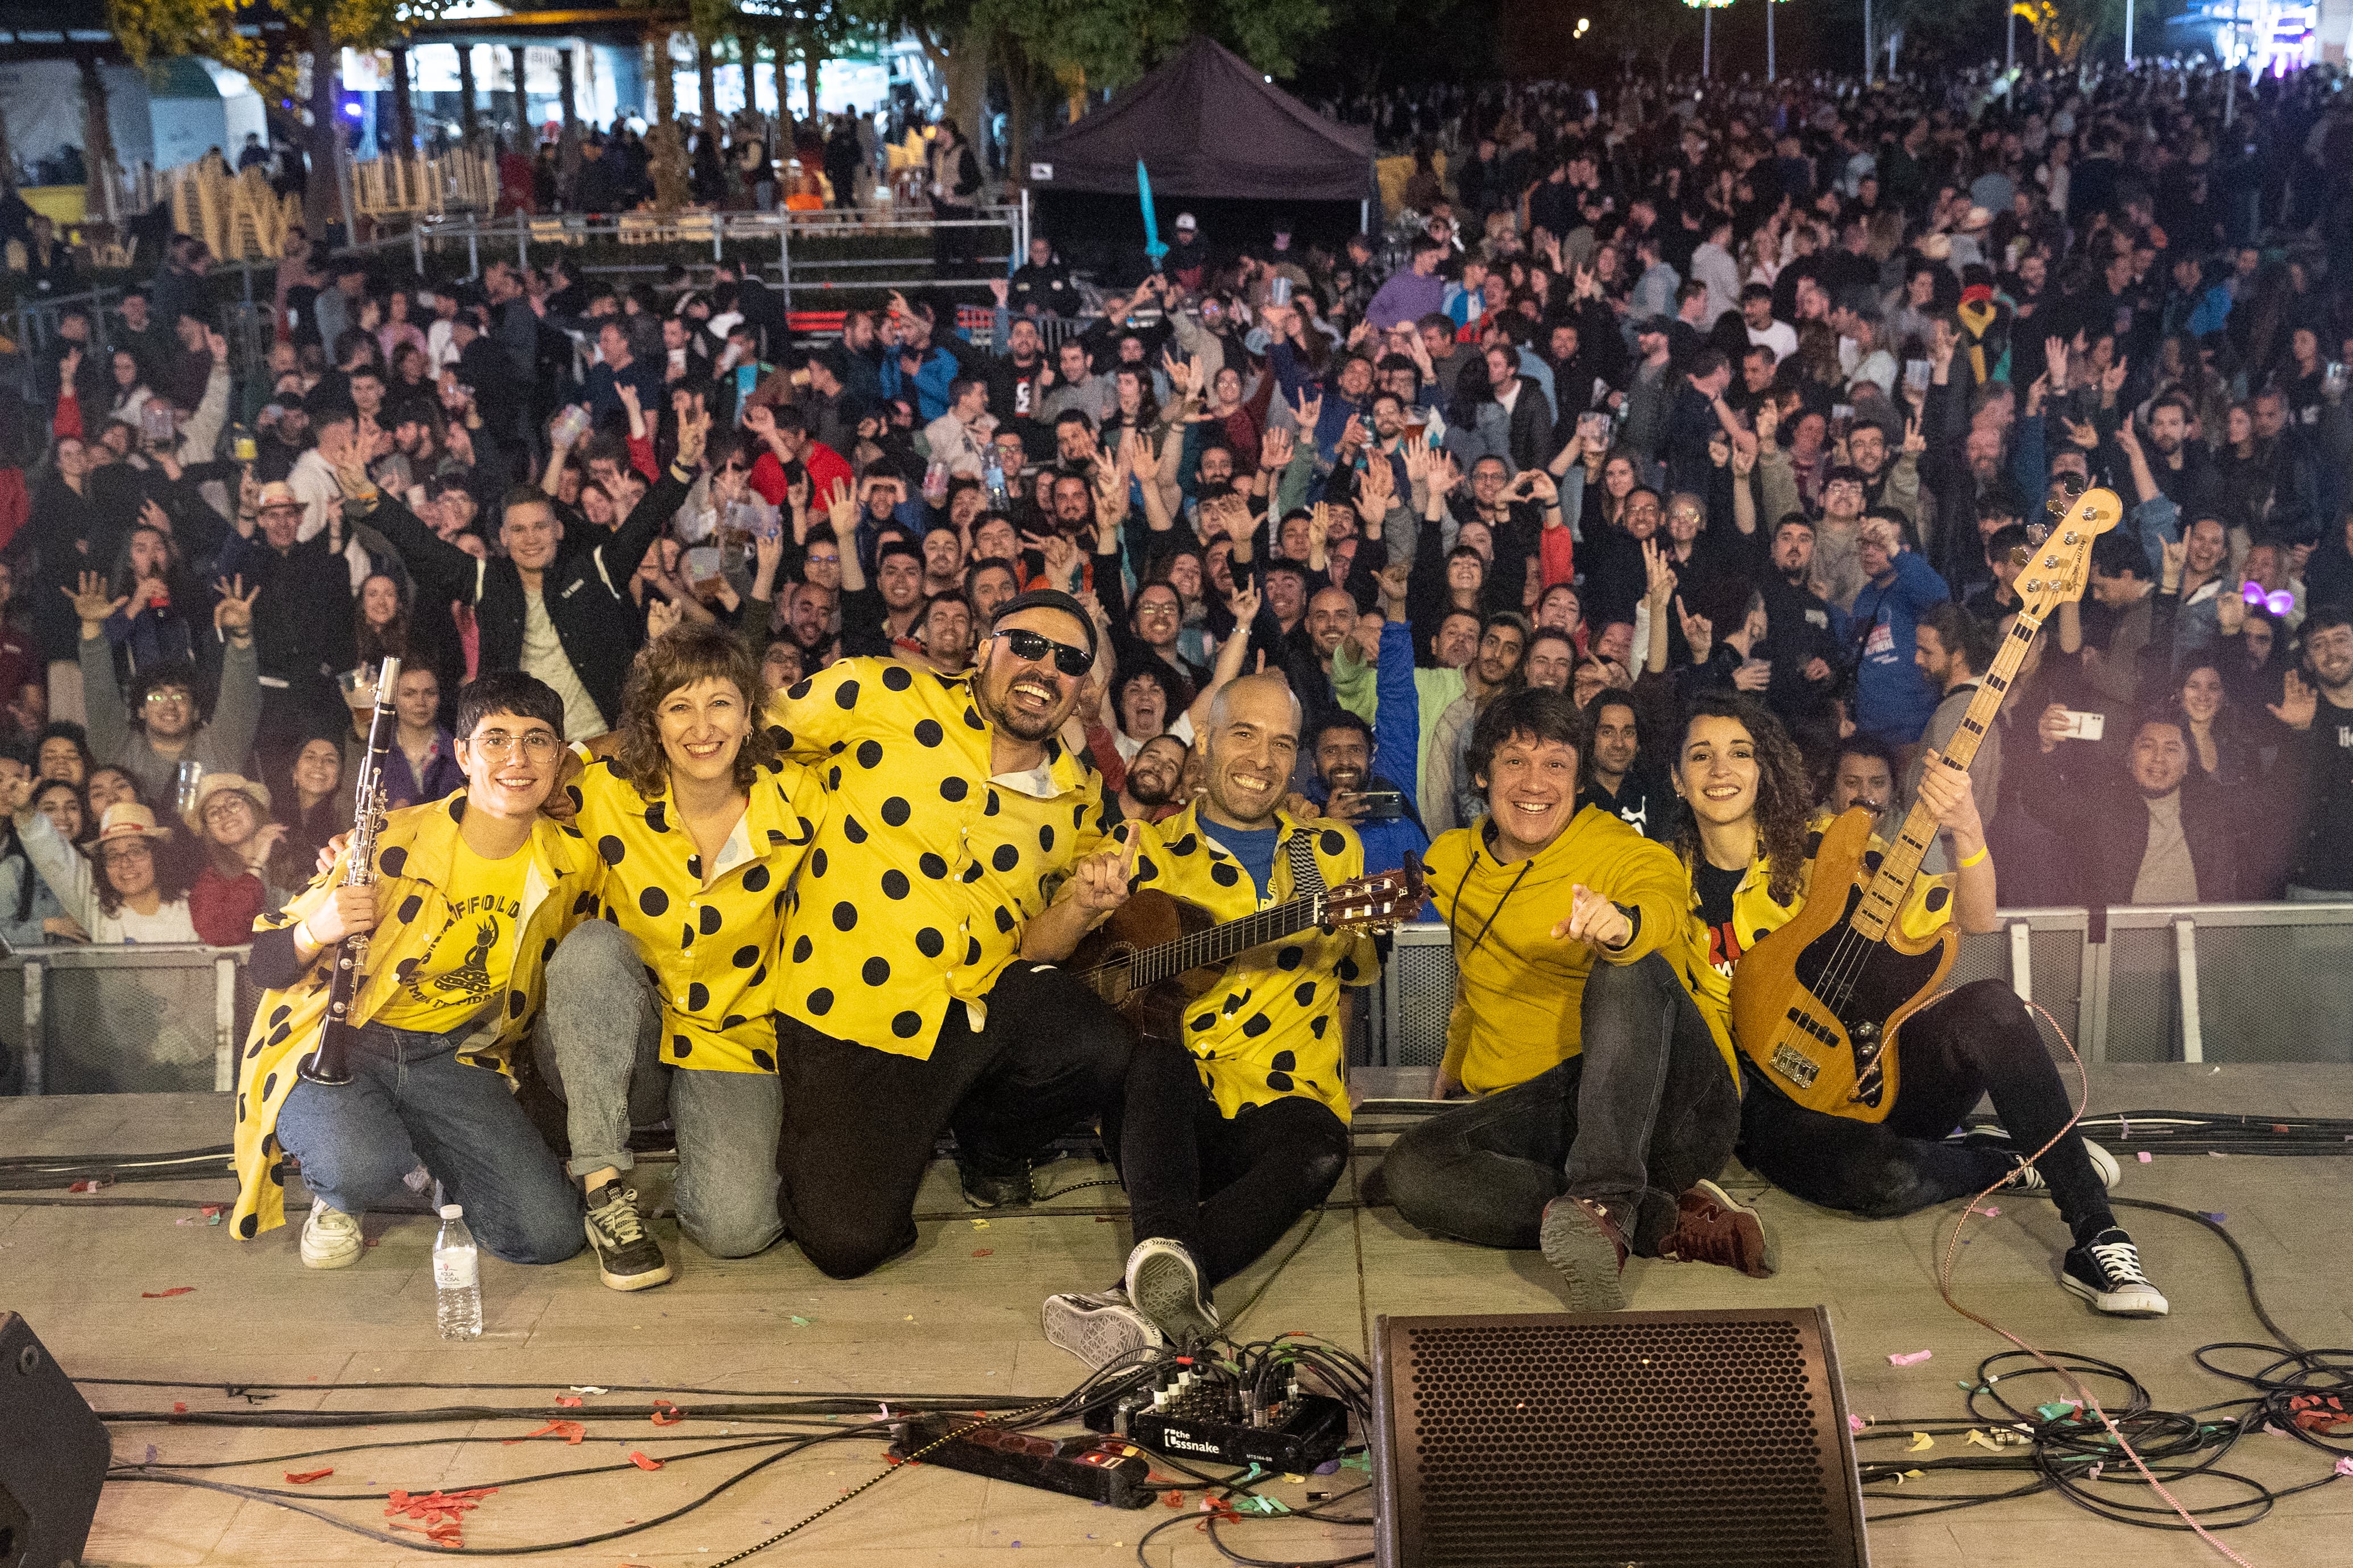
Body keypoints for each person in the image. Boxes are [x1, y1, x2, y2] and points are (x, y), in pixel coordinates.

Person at [1667, 693, 2165, 1317]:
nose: (1720, 769)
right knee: (1881, 1180)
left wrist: (1966, 826)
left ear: (1763, 767)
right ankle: (2008, 1162)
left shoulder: (1830, 845)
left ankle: (2095, 1232)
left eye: (1739, 753)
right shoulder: (1661, 876)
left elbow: (1976, 917)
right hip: (1772, 1101)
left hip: (1875, 1068)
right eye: (1701, 755)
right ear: (1677, 778)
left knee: (1991, 1005)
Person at [764, 590, 1135, 1278]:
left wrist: (1083, 906)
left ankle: (989, 1148)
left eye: (1069, 659)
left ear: (1085, 686)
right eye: (1025, 643)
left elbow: (1038, 952)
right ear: (982, 648)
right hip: (842, 1008)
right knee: (847, 1244)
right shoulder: (879, 690)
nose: (1044, 666)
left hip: (967, 1016)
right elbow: (738, 737)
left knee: (1097, 1043)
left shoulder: (1077, 793)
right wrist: (584, 762)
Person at [1378, 687, 1771, 1312]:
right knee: (1410, 1170)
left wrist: (1620, 926)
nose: (1536, 781)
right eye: (1515, 761)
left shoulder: (1624, 851)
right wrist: (1452, 1060)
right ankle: (1656, 1220)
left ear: (1579, 778)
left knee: (1624, 966)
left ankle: (1607, 1201)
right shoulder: (1449, 860)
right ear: (1482, 774)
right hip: (1542, 1110)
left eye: (1556, 763)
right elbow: (1470, 966)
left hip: (1668, 1105)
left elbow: (1664, 908)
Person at [1041, 673, 1377, 1363]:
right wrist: (1083, 908)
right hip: (1171, 1121)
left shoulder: (1332, 852)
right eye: (1244, 735)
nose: (1262, 760)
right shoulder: (1143, 849)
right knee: (1153, 1059)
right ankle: (1158, 1266)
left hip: (1284, 1110)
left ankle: (1129, 1295)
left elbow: (1352, 975)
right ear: (1206, 742)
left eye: (1282, 743)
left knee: (1322, 1142)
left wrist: (1343, 1071)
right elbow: (1052, 963)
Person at [225, 671, 599, 1267]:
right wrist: (316, 929)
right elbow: (265, 962)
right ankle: (340, 1192)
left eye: (537, 739)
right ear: (463, 754)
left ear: (559, 756)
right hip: (347, 1041)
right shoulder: (388, 841)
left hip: (456, 1054)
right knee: (361, 1161)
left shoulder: (573, 861)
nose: (517, 757)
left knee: (549, 1234)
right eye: (496, 738)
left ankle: (432, 1161)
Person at [533, 623, 825, 1288]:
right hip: (615, 1032)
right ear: (651, 723)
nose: (702, 726)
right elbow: (498, 798)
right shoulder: (602, 794)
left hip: (731, 1035)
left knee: (736, 1231)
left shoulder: (801, 801)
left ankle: (699, 1162)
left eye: (720, 702)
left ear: (751, 715)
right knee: (591, 949)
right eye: (678, 706)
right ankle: (605, 1192)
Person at [336, 397, 707, 741]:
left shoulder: (595, 569)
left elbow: (643, 521)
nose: (530, 538)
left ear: (559, 529)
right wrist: (370, 495)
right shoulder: (488, 580)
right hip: (528, 752)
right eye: (518, 529)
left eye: (540, 526)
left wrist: (684, 465)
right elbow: (424, 545)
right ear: (503, 536)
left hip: (604, 743)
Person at [70, 571, 263, 804]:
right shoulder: (118, 749)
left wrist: (242, 637)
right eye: (157, 698)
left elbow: (241, 698)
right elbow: (99, 695)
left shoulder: (220, 746)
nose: (169, 704)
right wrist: (91, 630)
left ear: (196, 712)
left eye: (180, 697)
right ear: (140, 711)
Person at [9, 793, 198, 945]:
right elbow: (54, 856)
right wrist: (26, 811)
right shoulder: (97, 906)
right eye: (113, 855)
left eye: (136, 851)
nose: (125, 863)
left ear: (158, 856)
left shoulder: (193, 905)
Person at [185, 773, 286, 945]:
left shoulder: (298, 853)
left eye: (233, 804)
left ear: (254, 808)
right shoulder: (211, 880)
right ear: (209, 830)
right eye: (214, 813)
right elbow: (220, 935)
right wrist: (257, 865)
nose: (224, 814)